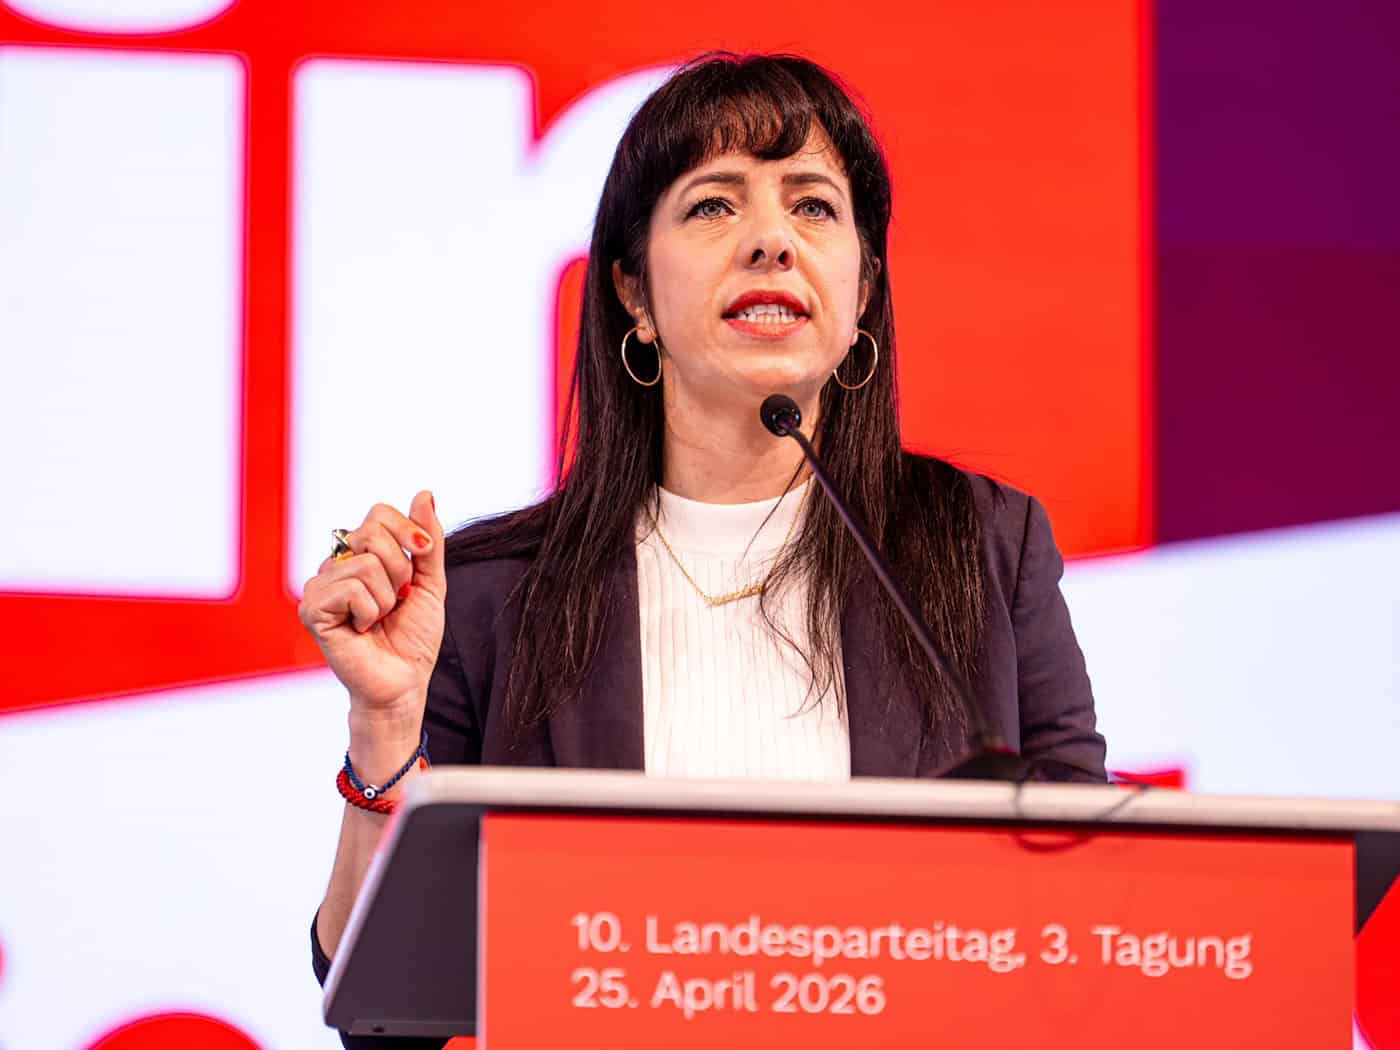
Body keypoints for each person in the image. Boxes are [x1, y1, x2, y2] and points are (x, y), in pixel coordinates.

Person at [298, 51, 1105, 1042]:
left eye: (812, 206)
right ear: (632, 292)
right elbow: (384, 1017)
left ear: (861, 296)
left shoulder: (980, 549)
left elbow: (1093, 916)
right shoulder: (489, 597)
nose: (770, 240)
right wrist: (385, 728)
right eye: (713, 206)